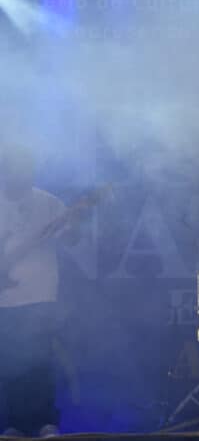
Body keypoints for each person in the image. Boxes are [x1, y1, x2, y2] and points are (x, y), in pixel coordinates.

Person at [0, 145, 76, 438]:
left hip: (41, 295)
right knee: (10, 363)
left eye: (27, 166)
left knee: (41, 361)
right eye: (16, 166)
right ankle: (15, 424)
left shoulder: (49, 203)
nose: (22, 172)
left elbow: (71, 239)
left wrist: (73, 226)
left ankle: (45, 422)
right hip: (5, 299)